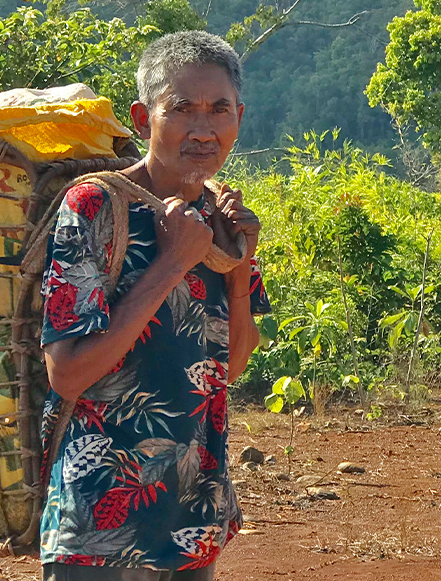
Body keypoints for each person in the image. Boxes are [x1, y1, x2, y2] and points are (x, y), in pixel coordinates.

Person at [37, 31, 270, 580]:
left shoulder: (220, 219)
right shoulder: (96, 204)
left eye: (219, 110)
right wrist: (170, 263)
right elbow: (67, 373)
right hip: (96, 527)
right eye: (181, 109)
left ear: (239, 115)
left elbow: (227, 368)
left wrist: (237, 264)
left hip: (193, 518)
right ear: (144, 119)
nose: (203, 128)